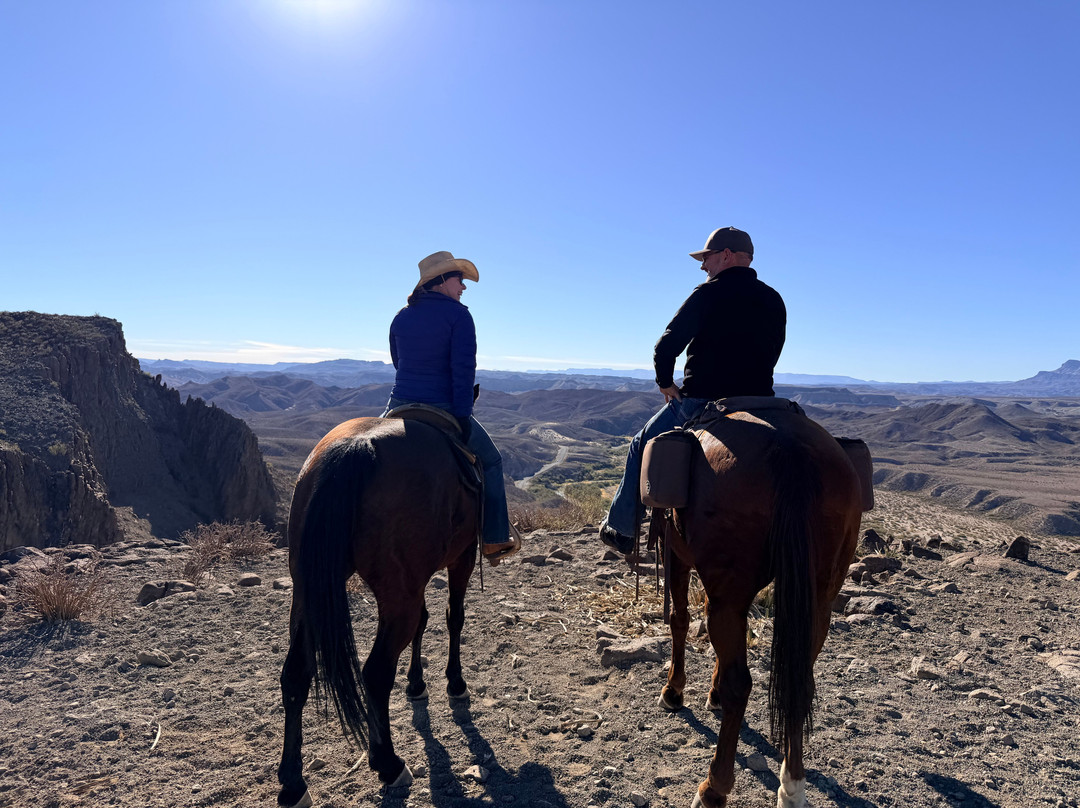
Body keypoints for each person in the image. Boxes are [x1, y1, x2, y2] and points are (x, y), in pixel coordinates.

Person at [599, 227, 787, 554]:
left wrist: (665, 384)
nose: (703, 266)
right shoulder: (773, 298)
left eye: (707, 258)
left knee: (641, 442)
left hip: (705, 400)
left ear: (726, 255)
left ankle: (622, 529)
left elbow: (665, 347)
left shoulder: (707, 294)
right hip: (762, 401)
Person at [383, 250, 521, 565]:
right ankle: (495, 539)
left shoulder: (401, 316)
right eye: (459, 279)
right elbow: (463, 372)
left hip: (399, 403)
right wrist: (461, 415)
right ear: (442, 281)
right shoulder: (459, 316)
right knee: (491, 462)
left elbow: (397, 362)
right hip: (443, 406)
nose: (463, 287)